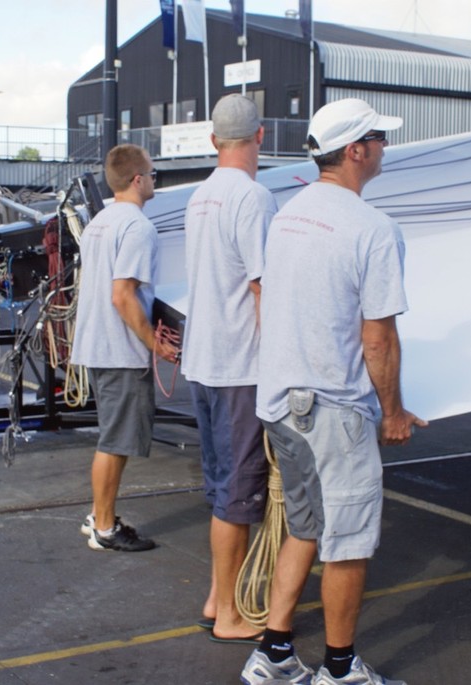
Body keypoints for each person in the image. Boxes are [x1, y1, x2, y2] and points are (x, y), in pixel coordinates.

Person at [240, 99, 428, 685]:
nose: (384, 147)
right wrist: (392, 413)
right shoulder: (372, 229)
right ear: (356, 150)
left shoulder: (289, 216)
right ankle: (340, 669)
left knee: (305, 525)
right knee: (348, 542)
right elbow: (379, 336)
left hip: (280, 401)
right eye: (378, 138)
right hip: (331, 410)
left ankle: (273, 654)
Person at [181, 94, 278, 643]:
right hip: (242, 363)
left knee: (222, 486)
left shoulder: (200, 198)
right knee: (239, 494)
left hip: (204, 360)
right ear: (259, 137)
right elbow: (263, 286)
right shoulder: (254, 198)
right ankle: (233, 614)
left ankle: (219, 596)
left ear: (214, 141)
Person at [70, 143, 178, 552]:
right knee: (116, 441)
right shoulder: (137, 227)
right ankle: (104, 527)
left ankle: (101, 514)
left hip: (98, 344)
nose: (154, 180)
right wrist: (155, 344)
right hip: (120, 350)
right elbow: (123, 296)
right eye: (152, 174)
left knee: (113, 437)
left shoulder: (100, 221)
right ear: (137, 180)